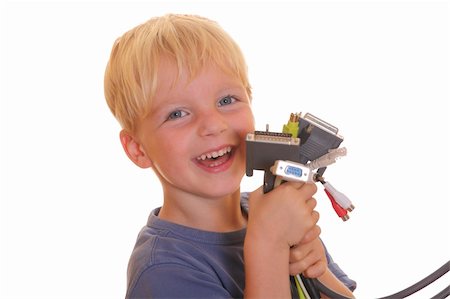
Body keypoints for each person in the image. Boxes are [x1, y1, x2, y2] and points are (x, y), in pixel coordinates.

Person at [104, 13, 356, 298]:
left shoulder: (270, 212)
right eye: (177, 113)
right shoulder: (163, 271)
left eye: (226, 100)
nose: (213, 125)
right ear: (137, 148)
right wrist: (268, 246)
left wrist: (317, 271)